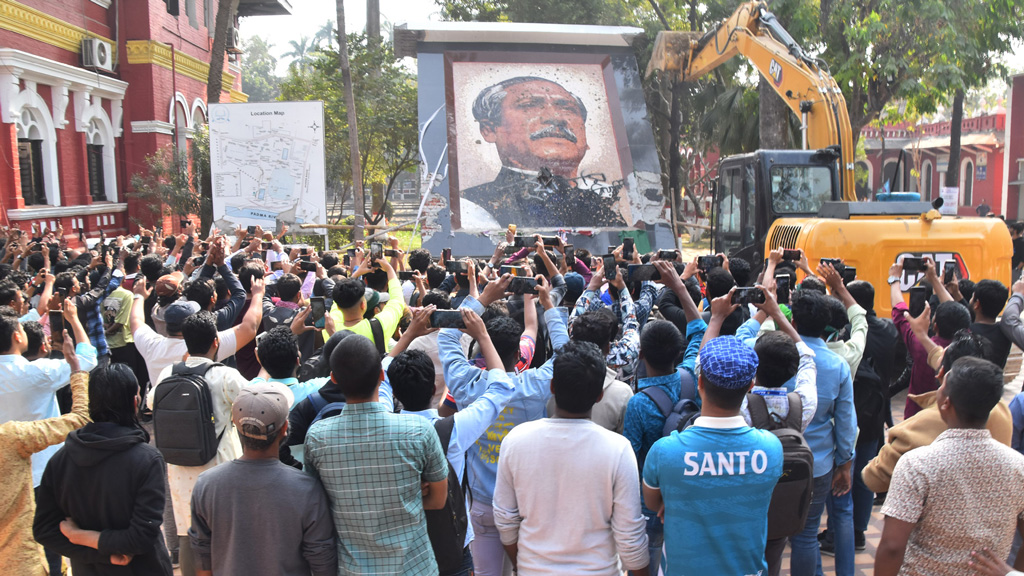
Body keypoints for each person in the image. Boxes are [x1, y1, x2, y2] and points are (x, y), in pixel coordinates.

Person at [438, 274, 569, 576]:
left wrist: (483, 298)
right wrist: (548, 306)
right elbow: (565, 354)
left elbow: (446, 337)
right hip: (527, 503)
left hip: (483, 504)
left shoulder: (466, 384)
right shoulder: (534, 383)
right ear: (518, 353)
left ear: (481, 347)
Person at [494, 340, 649, 575]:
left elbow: (505, 520)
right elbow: (630, 535)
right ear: (599, 396)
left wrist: (524, 564)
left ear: (552, 387)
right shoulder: (618, 449)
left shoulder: (516, 441)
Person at [385, 306, 516, 575]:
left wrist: (409, 333)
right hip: (451, 550)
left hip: (402, 550)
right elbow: (502, 387)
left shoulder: (385, 423)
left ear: (395, 392)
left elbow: (380, 373)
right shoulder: (453, 430)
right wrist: (483, 337)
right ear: (434, 389)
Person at [305, 334, 449, 575]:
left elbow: (317, 503)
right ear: (382, 377)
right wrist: (407, 497)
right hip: (415, 568)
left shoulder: (318, 437)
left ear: (334, 379)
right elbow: (438, 500)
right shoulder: (419, 431)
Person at [642, 335, 783, 575]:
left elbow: (653, 502)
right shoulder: (771, 448)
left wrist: (679, 499)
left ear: (700, 383)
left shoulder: (666, 452)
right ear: (750, 386)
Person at [874, 356, 1024, 576]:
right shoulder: (1018, 467)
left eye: (942, 385)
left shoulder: (917, 465)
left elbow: (892, 547)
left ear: (945, 403)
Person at [34, 363, 173, 575]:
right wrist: (108, 551)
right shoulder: (147, 459)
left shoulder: (61, 459)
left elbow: (45, 531)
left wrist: (84, 540)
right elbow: (141, 538)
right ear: (134, 403)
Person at [188, 381, 336, 576]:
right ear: (285, 428)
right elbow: (322, 562)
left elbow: (202, 559)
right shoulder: (306, 489)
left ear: (235, 424)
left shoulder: (206, 485)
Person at [145, 311, 253, 576]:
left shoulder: (168, 373)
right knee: (226, 534)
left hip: (179, 470)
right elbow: (255, 402)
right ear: (215, 342)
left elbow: (150, 403)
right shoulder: (225, 376)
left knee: (189, 533)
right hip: (220, 467)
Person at [863, 320, 1013, 493]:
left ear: (942, 374)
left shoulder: (915, 428)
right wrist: (921, 335)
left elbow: (873, 478)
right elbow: (940, 357)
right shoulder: (1002, 410)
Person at [461, 76, 624, 228]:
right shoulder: (471, 205)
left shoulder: (607, 198)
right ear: (489, 130)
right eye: (529, 105)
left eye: (568, 109)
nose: (556, 118)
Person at [0, 331, 89, 575]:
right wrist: (75, 366)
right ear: (17, 336)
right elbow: (79, 418)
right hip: (25, 561)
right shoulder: (11, 437)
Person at [787, 288, 857, 576]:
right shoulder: (837, 364)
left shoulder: (778, 352)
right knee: (806, 535)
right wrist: (845, 461)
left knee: (773, 532)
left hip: (776, 457)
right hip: (819, 464)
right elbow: (845, 422)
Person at [325, 258, 404, 352]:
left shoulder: (330, 326)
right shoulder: (379, 326)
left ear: (338, 307)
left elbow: (338, 296)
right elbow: (397, 300)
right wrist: (389, 269)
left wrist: (357, 273)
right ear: (363, 305)